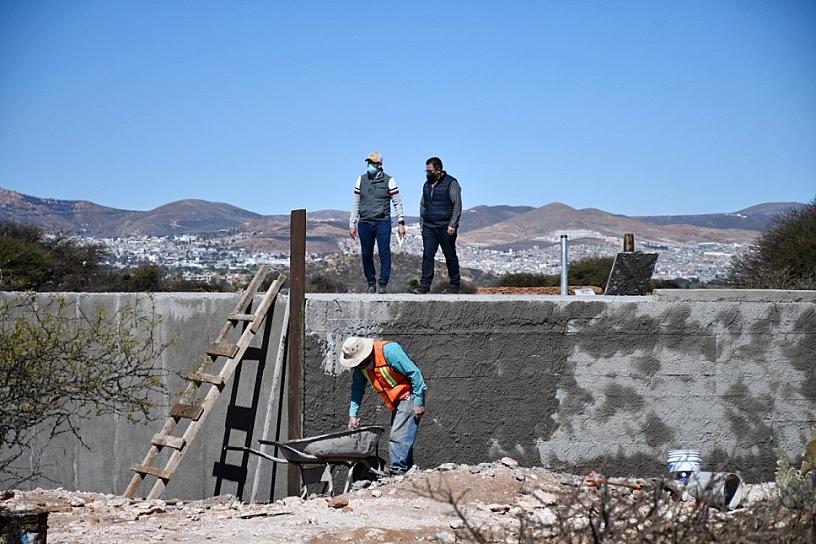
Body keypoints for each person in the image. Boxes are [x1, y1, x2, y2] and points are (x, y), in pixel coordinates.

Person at [341, 336, 426, 475]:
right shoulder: (361, 367)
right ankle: (408, 473)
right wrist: (353, 415)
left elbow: (414, 373)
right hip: (395, 402)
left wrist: (418, 402)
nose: (358, 366)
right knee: (404, 437)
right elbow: (357, 388)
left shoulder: (389, 351)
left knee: (398, 437)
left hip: (408, 395)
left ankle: (397, 473)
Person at [349, 152, 406, 294]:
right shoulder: (360, 180)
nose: (370, 166)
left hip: (382, 222)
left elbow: (397, 203)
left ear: (379, 165)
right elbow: (356, 203)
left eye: (373, 163)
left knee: (384, 253)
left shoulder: (389, 181)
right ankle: (371, 283)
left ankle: (383, 284)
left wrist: (401, 222)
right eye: (368, 163)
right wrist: (352, 223)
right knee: (366, 254)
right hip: (364, 222)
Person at [417, 156, 462, 294]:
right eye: (426, 171)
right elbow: (423, 204)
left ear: (438, 170)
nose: (427, 173)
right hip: (429, 226)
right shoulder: (426, 185)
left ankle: (454, 285)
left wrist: (453, 224)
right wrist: (422, 224)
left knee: (450, 255)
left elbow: (457, 205)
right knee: (427, 255)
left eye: (430, 171)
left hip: (446, 226)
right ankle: (424, 285)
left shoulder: (451, 183)